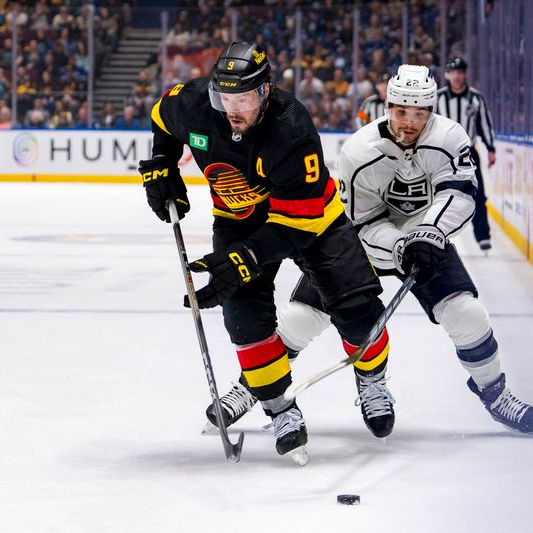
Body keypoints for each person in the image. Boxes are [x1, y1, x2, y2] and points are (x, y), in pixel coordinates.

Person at [208, 65, 533, 438]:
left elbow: (462, 192)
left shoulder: (451, 138)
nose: (409, 122)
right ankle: (252, 385)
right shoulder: (360, 151)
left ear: (431, 111)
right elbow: (360, 224)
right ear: (388, 106)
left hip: (428, 240)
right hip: (365, 243)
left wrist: (429, 232)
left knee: (467, 314)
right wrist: (404, 243)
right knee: (302, 319)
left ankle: (495, 394)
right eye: (402, 111)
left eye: (420, 114)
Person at [139, 42, 395, 464]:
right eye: (225, 99)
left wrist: (249, 257)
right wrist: (163, 164)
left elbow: (301, 219)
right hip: (238, 219)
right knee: (244, 320)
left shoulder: (291, 127)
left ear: (265, 92)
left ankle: (372, 380)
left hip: (313, 220)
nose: (231, 109)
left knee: (358, 309)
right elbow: (160, 120)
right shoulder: (194, 105)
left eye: (242, 99)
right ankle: (281, 409)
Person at [436, 57, 496, 252]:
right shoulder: (438, 97)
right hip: (442, 153)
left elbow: (484, 124)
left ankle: (483, 235)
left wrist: (491, 148)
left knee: (478, 194)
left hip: (468, 152)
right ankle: (434, 235)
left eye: (460, 72)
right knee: (435, 194)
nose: (457, 76)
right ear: (448, 74)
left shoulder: (476, 98)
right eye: (453, 72)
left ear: (465, 74)